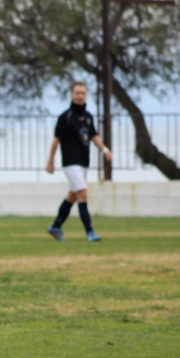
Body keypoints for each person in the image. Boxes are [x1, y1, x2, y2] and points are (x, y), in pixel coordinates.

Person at [45, 81, 112, 242]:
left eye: (83, 93)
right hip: (70, 162)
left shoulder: (88, 117)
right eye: (77, 93)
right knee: (82, 193)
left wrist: (105, 150)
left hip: (83, 162)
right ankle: (90, 232)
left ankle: (55, 227)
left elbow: (94, 136)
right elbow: (56, 140)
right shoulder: (65, 117)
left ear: (86, 95)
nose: (80, 96)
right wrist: (50, 161)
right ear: (71, 95)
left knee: (72, 196)